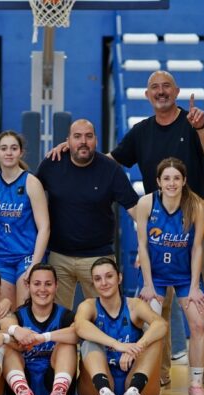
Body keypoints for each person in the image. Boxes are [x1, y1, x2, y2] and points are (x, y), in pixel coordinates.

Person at [49, 70, 204, 395]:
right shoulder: (141, 132)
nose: (161, 91)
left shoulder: (193, 123)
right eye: (155, 87)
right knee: (157, 309)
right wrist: (74, 148)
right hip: (158, 231)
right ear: (147, 95)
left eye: (166, 86)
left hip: (193, 227)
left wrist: (202, 128)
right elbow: (109, 161)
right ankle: (161, 372)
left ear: (176, 91)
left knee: (202, 305)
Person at [36, 119, 139, 309]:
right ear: (68, 141)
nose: (83, 141)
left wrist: (148, 244)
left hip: (98, 258)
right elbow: (30, 198)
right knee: (56, 317)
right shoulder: (52, 164)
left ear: (96, 141)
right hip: (59, 257)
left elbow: (135, 209)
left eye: (88, 136)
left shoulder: (110, 169)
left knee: (107, 315)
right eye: (77, 136)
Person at [135, 158, 204, 395]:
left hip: (185, 275)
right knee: (151, 327)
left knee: (198, 324)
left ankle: (196, 385)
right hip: (155, 275)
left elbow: (197, 248)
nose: (172, 183)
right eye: (166, 178)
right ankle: (151, 383)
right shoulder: (146, 203)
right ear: (158, 181)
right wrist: (148, 284)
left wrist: (195, 287)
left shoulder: (196, 205)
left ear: (184, 180)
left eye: (176, 178)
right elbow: (143, 246)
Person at [74, 258, 167, 395]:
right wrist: (118, 345)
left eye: (109, 276)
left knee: (154, 338)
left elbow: (161, 324)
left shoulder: (134, 305)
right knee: (89, 339)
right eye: (98, 279)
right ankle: (105, 394)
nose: (104, 282)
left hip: (134, 381)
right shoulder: (88, 305)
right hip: (97, 387)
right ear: (93, 283)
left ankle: (133, 393)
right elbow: (80, 327)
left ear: (119, 278)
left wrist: (137, 347)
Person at [1, 263, 78, 395]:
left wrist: (43, 337)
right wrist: (15, 330)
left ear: (56, 286)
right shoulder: (18, 316)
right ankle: (22, 390)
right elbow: (4, 323)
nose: (42, 289)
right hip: (24, 380)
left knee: (67, 343)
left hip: (54, 379)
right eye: (37, 284)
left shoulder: (66, 315)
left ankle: (58, 393)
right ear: (28, 286)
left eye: (48, 284)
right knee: (6, 344)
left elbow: (78, 333)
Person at [0, 131, 50, 307]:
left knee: (23, 311)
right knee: (5, 312)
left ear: (21, 152)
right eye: (4, 148)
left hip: (27, 256)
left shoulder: (31, 182)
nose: (9, 153)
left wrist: (35, 263)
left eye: (14, 148)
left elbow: (45, 227)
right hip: (1, 258)